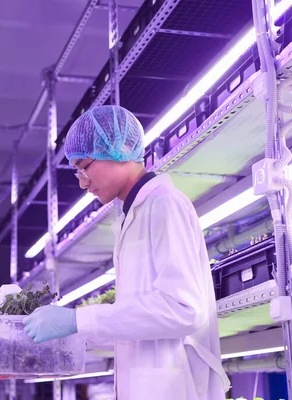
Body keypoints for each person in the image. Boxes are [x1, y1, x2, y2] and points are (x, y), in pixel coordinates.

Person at [23, 105, 231, 399]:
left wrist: (77, 320)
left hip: (175, 388)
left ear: (117, 149)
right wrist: (73, 335)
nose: (82, 183)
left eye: (84, 166)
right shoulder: (131, 215)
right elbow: (139, 320)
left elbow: (184, 310)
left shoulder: (164, 205)